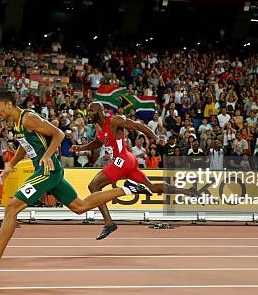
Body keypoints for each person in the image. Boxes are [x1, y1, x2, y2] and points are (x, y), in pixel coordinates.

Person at [0, 91, 152, 274]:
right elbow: (25, 146)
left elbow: (58, 134)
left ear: (8, 104)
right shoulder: (16, 124)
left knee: (11, 208)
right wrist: (11, 165)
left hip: (47, 171)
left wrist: (47, 156)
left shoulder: (28, 118)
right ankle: (127, 189)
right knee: (80, 207)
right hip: (50, 171)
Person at [70, 102, 199, 240]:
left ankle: (109, 222)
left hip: (123, 159)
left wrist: (155, 139)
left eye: (90, 111)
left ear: (99, 111)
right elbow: (98, 142)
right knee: (153, 187)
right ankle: (188, 191)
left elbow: (139, 126)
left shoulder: (115, 121)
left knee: (93, 186)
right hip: (127, 162)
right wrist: (81, 148)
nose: (87, 114)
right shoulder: (98, 126)